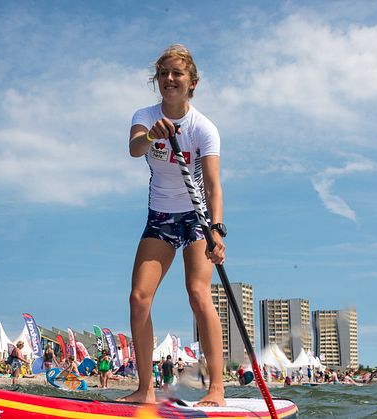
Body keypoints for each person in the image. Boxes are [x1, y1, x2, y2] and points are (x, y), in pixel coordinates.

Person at [121, 44, 226, 408]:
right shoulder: (145, 115)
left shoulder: (203, 128)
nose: (169, 79)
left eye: (177, 73)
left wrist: (216, 229)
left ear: (191, 82)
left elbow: (213, 185)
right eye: (164, 73)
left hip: (195, 219)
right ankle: (145, 388)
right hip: (161, 218)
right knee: (139, 298)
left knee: (198, 295)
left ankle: (216, 389)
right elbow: (135, 149)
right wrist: (152, 135)